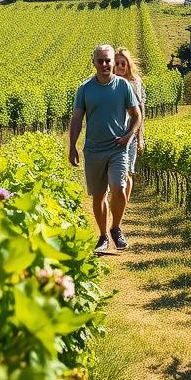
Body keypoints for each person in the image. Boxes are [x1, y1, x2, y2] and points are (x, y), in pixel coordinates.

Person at [68, 43, 141, 253]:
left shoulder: (123, 86)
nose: (104, 64)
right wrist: (72, 146)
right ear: (94, 63)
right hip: (93, 150)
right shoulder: (84, 88)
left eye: (107, 60)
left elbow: (137, 115)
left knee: (118, 188)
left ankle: (116, 227)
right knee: (98, 195)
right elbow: (76, 120)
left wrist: (129, 136)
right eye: (100, 61)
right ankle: (102, 236)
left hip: (117, 148)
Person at [113, 47, 145, 204]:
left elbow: (140, 113)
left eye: (122, 63)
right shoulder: (109, 82)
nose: (119, 67)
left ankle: (122, 206)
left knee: (128, 172)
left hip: (130, 135)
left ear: (128, 65)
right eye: (116, 63)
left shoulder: (134, 82)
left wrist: (140, 138)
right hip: (112, 135)